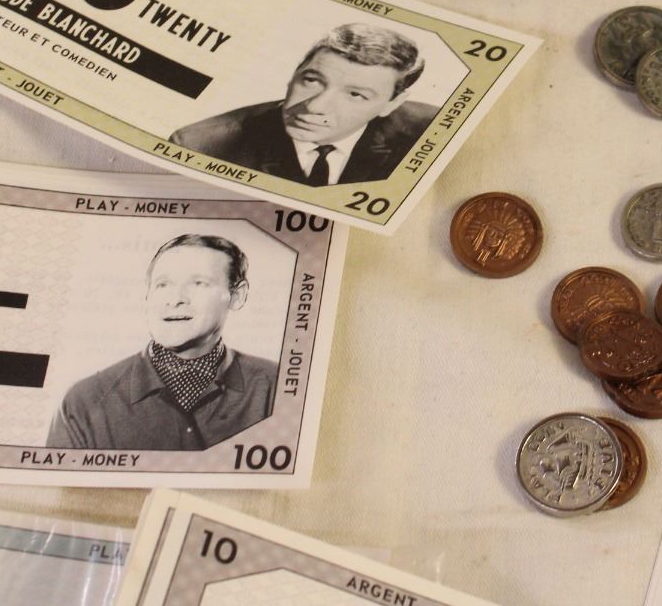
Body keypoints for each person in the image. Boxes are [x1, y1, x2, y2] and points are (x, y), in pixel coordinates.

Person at [47, 234, 276, 450]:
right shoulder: (84, 401)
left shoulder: (275, 385)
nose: (175, 299)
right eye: (163, 284)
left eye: (199, 283)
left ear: (237, 296)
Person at [169, 23, 435, 184]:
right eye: (312, 80)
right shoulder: (201, 146)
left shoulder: (431, 132)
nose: (315, 107)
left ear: (392, 104)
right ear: (295, 72)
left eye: (355, 95)